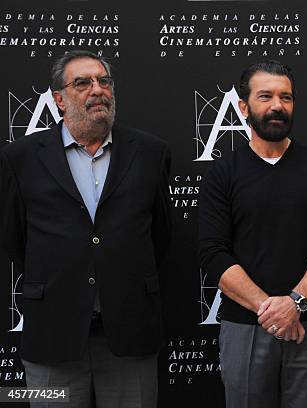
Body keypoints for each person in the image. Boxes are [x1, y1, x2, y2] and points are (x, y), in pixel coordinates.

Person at [0, 50, 172, 407]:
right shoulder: (21, 158)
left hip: (129, 335)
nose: (97, 90)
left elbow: (160, 237)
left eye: (103, 81)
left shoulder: (151, 153)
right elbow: (16, 241)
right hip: (53, 336)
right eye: (83, 83)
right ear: (59, 99)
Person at [199, 60, 307, 408]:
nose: (277, 105)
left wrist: (295, 303)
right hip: (245, 327)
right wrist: (273, 311)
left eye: (286, 97)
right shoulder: (223, 171)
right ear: (244, 106)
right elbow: (213, 253)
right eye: (265, 96)